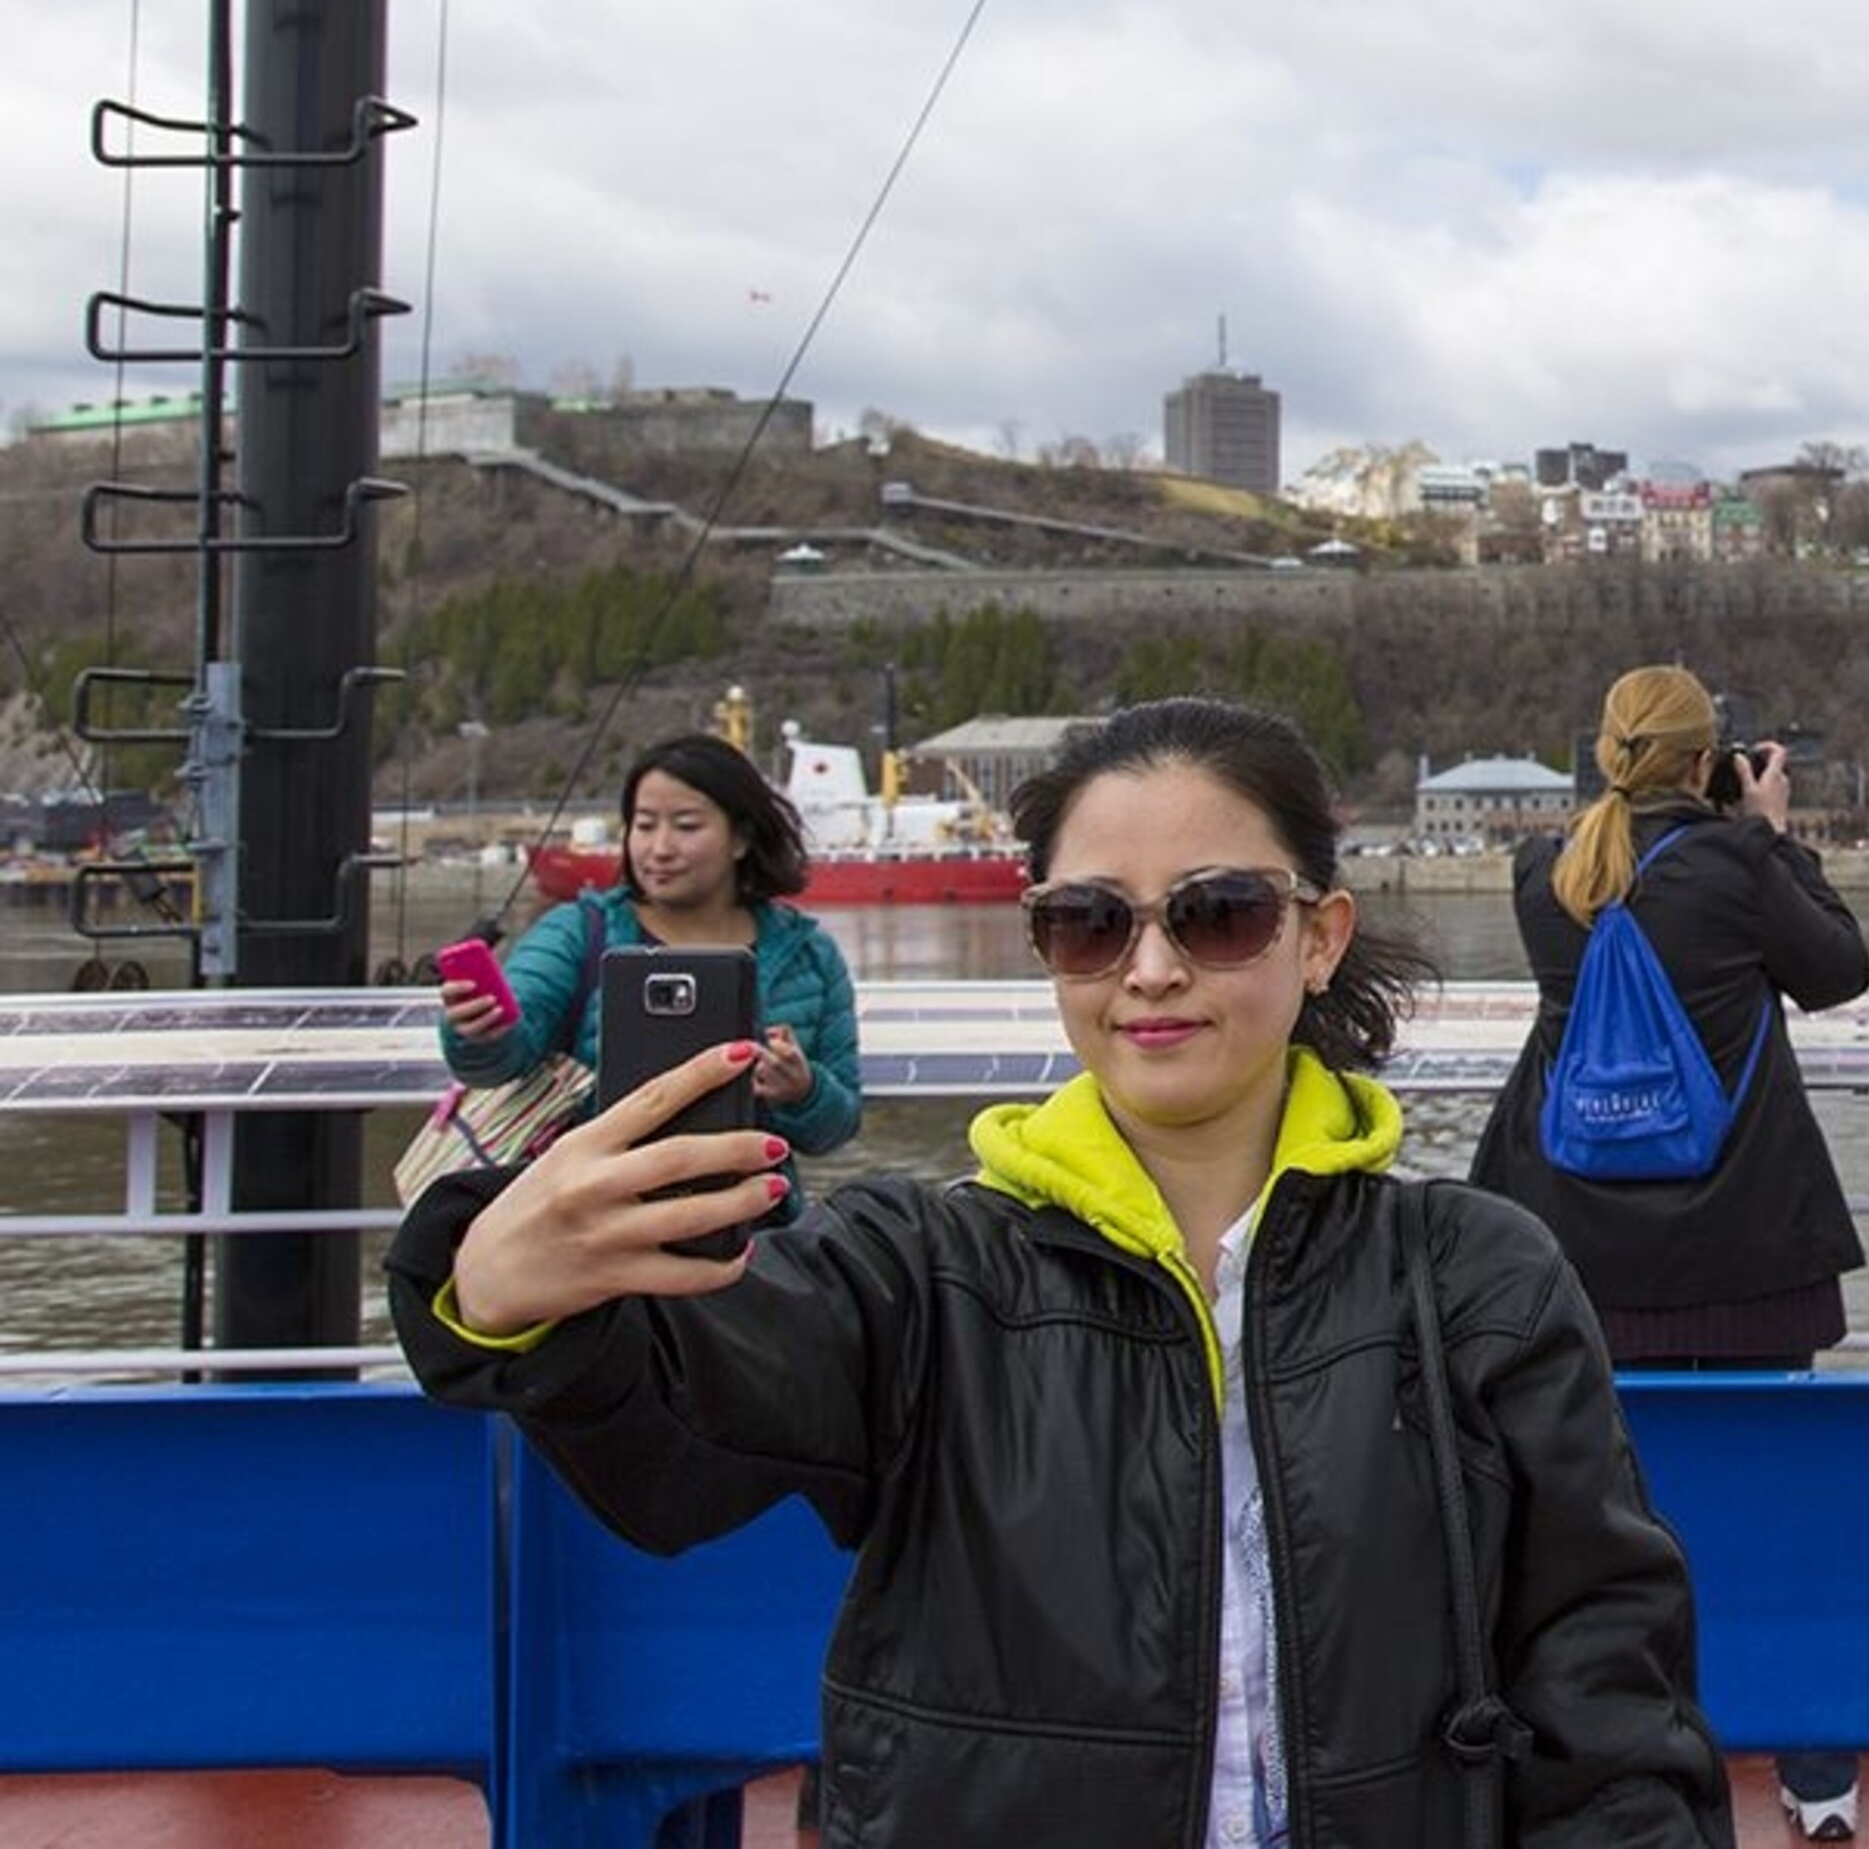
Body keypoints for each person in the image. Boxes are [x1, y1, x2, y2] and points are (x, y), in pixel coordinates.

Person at [390, 694, 1735, 1848]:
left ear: (1318, 935)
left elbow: (1604, 1694)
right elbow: (681, 1432)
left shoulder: (1478, 1277)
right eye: (1092, 921)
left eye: (1216, 914)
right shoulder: (920, 1274)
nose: (1150, 969)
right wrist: (503, 1287)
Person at [1469, 663, 1869, 1844]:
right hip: (1744, 1262)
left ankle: (1597, 1752)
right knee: (1775, 1510)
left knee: (1581, 1519)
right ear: (1710, 760)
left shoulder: (1544, 877)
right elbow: (1839, 969)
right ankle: (1814, 1767)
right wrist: (1772, 832)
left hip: (1573, 1265)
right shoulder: (1737, 867)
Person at [435, 730, 864, 1184]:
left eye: (686, 826)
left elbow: (837, 1127)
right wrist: (478, 1032)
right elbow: (502, 1062)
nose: (659, 848)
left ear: (740, 838)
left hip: (752, 1225)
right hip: (591, 1214)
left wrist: (802, 1090)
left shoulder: (810, 955)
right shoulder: (578, 933)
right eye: (643, 825)